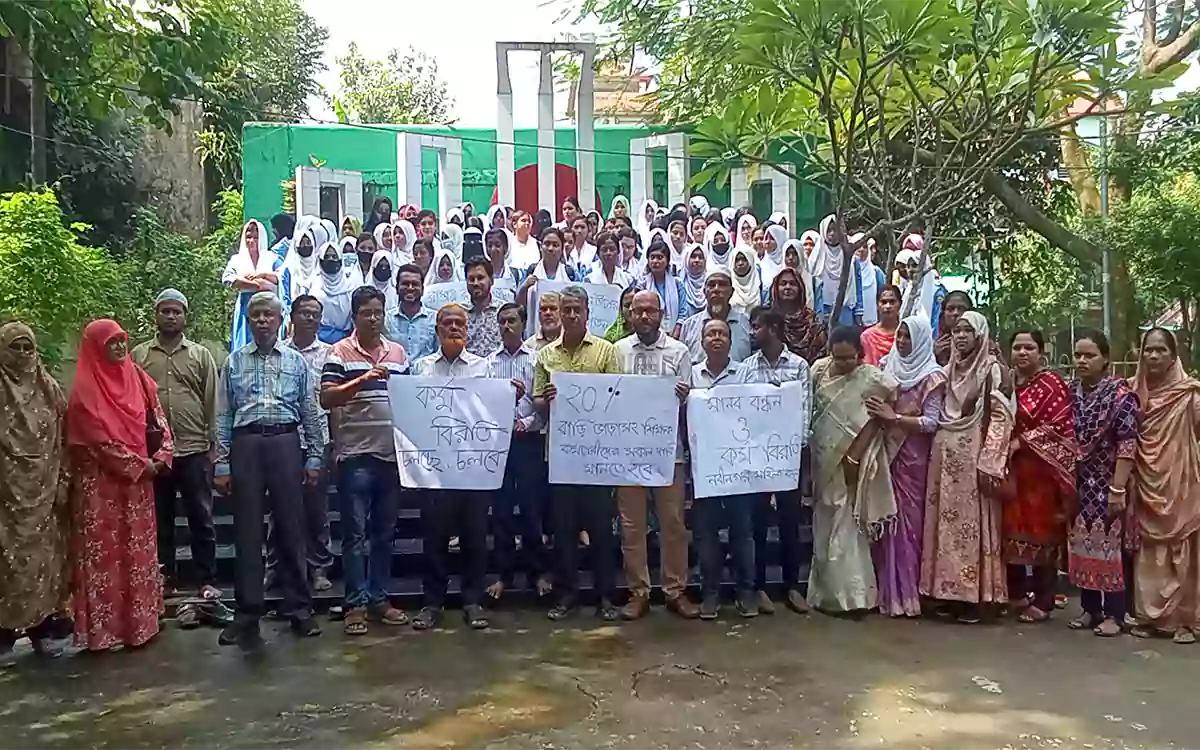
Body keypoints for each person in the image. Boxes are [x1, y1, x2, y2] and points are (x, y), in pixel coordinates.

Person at [214, 293, 325, 650]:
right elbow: (223, 415)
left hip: (285, 443)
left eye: (269, 315)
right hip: (246, 444)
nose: (262, 321)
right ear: (249, 321)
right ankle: (247, 612)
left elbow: (309, 410)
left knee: (291, 526)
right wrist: (221, 462)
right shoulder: (233, 362)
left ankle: (299, 608)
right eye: (256, 315)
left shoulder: (295, 362)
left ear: (281, 321)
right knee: (247, 530)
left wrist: (313, 458)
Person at [68, 319, 174, 652]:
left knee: (138, 555)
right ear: (95, 348)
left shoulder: (140, 380)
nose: (118, 347)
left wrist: (163, 455)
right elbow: (97, 442)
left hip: (139, 487)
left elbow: (159, 420)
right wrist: (140, 466)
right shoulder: (84, 393)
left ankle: (140, 626)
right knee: (106, 560)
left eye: (121, 340)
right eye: (110, 342)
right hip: (102, 491)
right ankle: (105, 633)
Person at [321, 287, 409, 636]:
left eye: (378, 311)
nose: (373, 318)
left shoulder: (398, 353)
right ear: (354, 316)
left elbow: (410, 400)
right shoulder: (339, 352)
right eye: (366, 312)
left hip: (391, 456)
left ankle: (379, 598)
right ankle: (355, 602)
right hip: (355, 456)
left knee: (385, 534)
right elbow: (327, 397)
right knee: (355, 535)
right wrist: (361, 380)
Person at [533, 285, 623, 621]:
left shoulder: (605, 351)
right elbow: (538, 403)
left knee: (601, 529)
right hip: (560, 456)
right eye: (566, 309)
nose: (571, 315)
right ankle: (567, 593)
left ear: (586, 313)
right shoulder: (546, 355)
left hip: (597, 457)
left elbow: (618, 396)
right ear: (558, 312)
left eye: (577, 310)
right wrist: (549, 399)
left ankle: (606, 596)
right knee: (564, 530)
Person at [131, 290, 223, 613]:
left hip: (194, 446)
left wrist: (214, 444)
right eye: (165, 311)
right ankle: (162, 578)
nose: (171, 317)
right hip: (156, 454)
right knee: (159, 519)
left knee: (202, 516)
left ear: (186, 316)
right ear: (156, 314)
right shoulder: (140, 356)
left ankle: (206, 579)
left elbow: (212, 401)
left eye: (177, 312)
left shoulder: (200, 356)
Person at [920, 311, 1013, 624]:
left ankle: (975, 598)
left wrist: (990, 461)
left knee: (973, 526)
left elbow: (1001, 417)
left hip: (975, 454)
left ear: (980, 335)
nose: (960, 336)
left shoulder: (992, 370)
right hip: (944, 455)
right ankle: (946, 593)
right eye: (957, 330)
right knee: (944, 526)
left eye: (967, 331)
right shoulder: (948, 370)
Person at [410, 304, 498, 631]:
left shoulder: (484, 368)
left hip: (473, 466)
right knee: (434, 537)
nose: (454, 328)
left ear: (467, 329)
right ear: (437, 330)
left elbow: (491, 415)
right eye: (447, 323)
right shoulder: (421, 369)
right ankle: (432, 603)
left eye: (460, 323)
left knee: (475, 536)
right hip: (434, 469)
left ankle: (473, 601)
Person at [613, 291, 698, 620]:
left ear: (662, 314)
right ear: (630, 315)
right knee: (631, 526)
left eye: (651, 311)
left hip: (668, 454)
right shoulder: (618, 351)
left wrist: (684, 394)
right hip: (628, 453)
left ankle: (675, 590)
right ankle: (638, 592)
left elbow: (691, 402)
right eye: (639, 311)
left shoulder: (679, 351)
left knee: (673, 523)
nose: (645, 317)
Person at [807, 326, 897, 613]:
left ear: (860, 354)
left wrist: (855, 455)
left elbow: (879, 413)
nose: (845, 364)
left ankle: (855, 597)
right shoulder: (818, 371)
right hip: (821, 457)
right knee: (824, 521)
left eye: (851, 358)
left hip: (853, 458)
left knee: (848, 523)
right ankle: (824, 595)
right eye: (839, 358)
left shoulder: (870, 377)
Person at [863, 315, 945, 617]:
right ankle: (887, 592)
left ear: (922, 340)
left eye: (908, 337)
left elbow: (931, 422)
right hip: (887, 454)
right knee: (886, 519)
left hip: (915, 460)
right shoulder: (886, 366)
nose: (902, 342)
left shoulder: (933, 376)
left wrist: (894, 418)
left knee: (911, 525)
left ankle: (909, 595)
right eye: (900, 336)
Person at [0, 322, 70, 663]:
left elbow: (65, 438)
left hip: (44, 491)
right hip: (5, 496)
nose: (25, 355)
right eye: (17, 347)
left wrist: (63, 482)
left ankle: (42, 629)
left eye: (29, 347)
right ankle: (4, 634)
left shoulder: (49, 389)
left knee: (44, 564)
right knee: (8, 564)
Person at [737, 306, 812, 614]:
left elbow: (804, 410)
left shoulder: (798, 366)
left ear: (773, 329)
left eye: (757, 327)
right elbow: (739, 408)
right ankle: (759, 587)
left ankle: (792, 586)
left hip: (787, 455)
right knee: (756, 524)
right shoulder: (746, 368)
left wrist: (795, 445)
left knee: (788, 522)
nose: (753, 332)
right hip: (755, 456)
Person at [1128, 328, 1200, 644]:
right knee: (1149, 548)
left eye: (1161, 350)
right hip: (1146, 480)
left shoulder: (1189, 394)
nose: (1154, 356)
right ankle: (1150, 617)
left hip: (1182, 479)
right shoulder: (1133, 393)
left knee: (1183, 547)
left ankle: (1186, 620)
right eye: (1149, 350)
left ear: (1174, 356)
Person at [1067, 329, 1139, 637]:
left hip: (1109, 480)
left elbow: (1127, 443)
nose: (1082, 361)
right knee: (1083, 543)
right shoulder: (1071, 392)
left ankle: (1116, 614)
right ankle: (1090, 609)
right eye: (1078, 355)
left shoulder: (1120, 396)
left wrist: (1118, 488)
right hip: (1080, 481)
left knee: (1111, 546)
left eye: (1090, 355)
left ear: (1105, 359)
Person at [1003, 329, 1078, 623]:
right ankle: (1018, 593)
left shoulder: (1051, 384)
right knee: (1010, 531)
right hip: (1012, 471)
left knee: (1043, 534)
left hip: (1043, 472)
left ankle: (1045, 600)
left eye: (1029, 347)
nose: (1023, 353)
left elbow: (1059, 424)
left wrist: (1021, 441)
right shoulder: (1006, 383)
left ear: (1041, 352)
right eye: (1018, 347)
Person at [690, 318, 758, 619]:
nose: (716, 338)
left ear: (731, 340)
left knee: (742, 532)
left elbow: (758, 416)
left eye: (722, 333)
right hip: (703, 468)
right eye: (710, 334)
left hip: (738, 469)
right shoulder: (691, 375)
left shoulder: (746, 374)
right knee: (705, 534)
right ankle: (710, 594)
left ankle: (746, 592)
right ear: (702, 340)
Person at [488, 303, 551, 601]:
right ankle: (503, 575)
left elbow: (543, 403)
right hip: (499, 442)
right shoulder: (488, 363)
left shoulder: (538, 360)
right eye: (501, 322)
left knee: (531, 510)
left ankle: (537, 572)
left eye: (512, 320)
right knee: (501, 512)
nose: (506, 326)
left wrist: (527, 421)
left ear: (523, 325)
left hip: (529, 440)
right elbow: (483, 403)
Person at [279, 295, 334, 594]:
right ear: (293, 316)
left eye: (315, 314)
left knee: (316, 509)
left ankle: (319, 568)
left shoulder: (329, 354)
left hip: (319, 439)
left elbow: (334, 402)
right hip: (283, 439)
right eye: (304, 313)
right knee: (280, 508)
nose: (310, 319)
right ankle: (280, 568)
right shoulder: (278, 352)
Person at [222, 219, 283, 352]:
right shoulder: (237, 260)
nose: (252, 241)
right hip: (246, 305)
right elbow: (228, 279)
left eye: (256, 237)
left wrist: (263, 275)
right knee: (245, 343)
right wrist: (255, 285)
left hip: (268, 305)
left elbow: (281, 277)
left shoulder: (272, 258)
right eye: (249, 237)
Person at [677, 268, 750, 364]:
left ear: (731, 292)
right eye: (711, 285)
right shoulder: (689, 326)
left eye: (722, 285)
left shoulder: (746, 323)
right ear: (704, 292)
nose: (716, 289)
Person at [811, 215, 864, 326]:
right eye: (829, 230)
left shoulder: (850, 257)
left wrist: (859, 309)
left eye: (835, 230)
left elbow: (858, 284)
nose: (832, 234)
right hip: (823, 307)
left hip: (846, 307)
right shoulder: (816, 256)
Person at [769, 267, 827, 364]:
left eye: (792, 284)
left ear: (800, 288)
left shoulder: (811, 319)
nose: (788, 287)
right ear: (776, 288)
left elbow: (822, 352)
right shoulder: (769, 319)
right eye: (783, 283)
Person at [385, 263, 438, 362]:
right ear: (397, 288)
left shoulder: (435, 319)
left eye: (415, 284)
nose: (410, 288)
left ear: (422, 290)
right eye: (405, 283)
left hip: (426, 375)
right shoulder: (386, 320)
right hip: (395, 375)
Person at [636, 241, 689, 332]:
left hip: (676, 334)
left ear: (667, 260)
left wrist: (676, 332)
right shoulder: (642, 285)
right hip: (650, 333)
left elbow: (683, 312)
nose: (655, 261)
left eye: (660, 257)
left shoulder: (677, 283)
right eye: (652, 257)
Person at [310, 243, 353, 343]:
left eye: (334, 256)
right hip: (318, 339)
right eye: (327, 256)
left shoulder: (349, 287)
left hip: (345, 340)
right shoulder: (313, 285)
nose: (331, 260)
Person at [465, 257, 502, 357]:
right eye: (471, 279)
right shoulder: (459, 314)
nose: (476, 283)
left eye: (480, 278)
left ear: (491, 280)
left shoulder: (503, 311)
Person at [860, 286, 902, 366]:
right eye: (884, 302)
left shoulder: (905, 335)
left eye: (892, 302)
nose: (888, 306)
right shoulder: (867, 336)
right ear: (877, 305)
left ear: (900, 304)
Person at [856, 238, 887, 326]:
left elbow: (882, 297)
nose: (861, 250)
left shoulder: (876, 272)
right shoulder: (849, 272)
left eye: (865, 247)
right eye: (858, 246)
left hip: (873, 323)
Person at [730, 246, 763, 312]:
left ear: (750, 260)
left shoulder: (760, 282)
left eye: (744, 259)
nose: (740, 263)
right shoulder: (729, 282)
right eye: (737, 260)